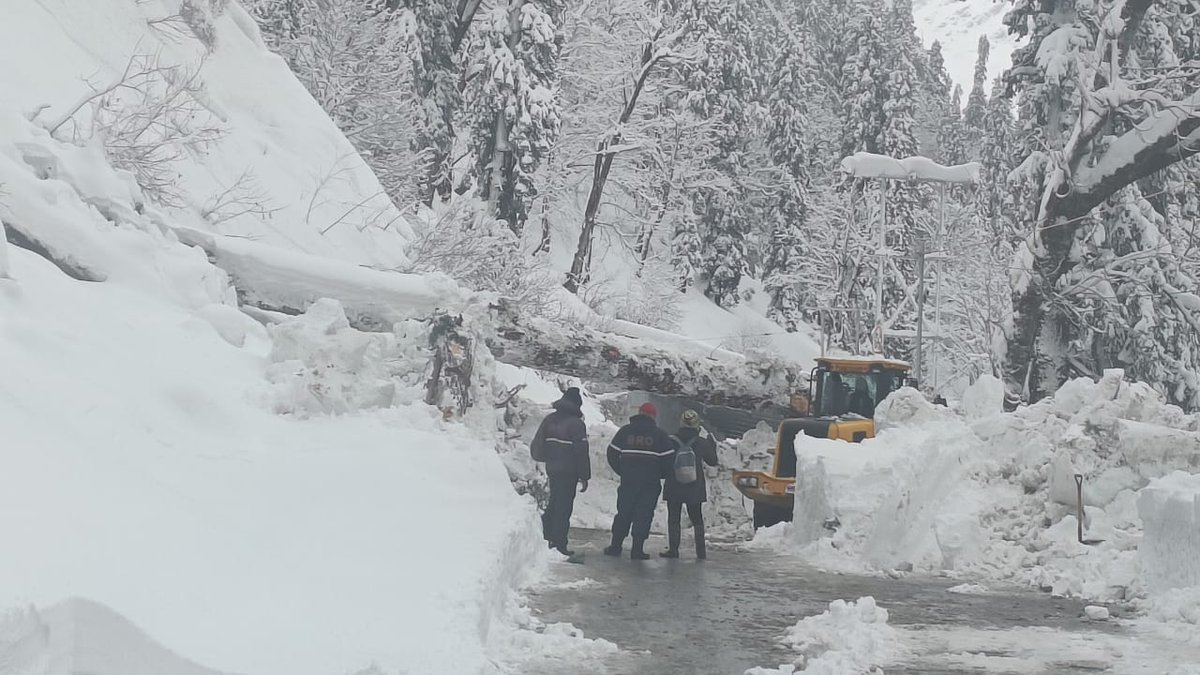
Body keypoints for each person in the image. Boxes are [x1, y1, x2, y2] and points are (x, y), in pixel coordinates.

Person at [603, 401, 675, 560]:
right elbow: (670, 461)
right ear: (653, 417)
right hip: (649, 484)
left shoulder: (625, 431)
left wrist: (623, 471)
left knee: (623, 513)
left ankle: (615, 546)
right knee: (644, 514)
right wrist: (658, 474)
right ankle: (637, 550)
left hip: (629, 481)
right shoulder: (660, 435)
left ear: (639, 413)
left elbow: (612, 453)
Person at [531, 387, 590, 556]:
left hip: (553, 469)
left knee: (555, 502)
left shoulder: (549, 419)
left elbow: (538, 445)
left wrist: (547, 458)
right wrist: (584, 476)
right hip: (569, 471)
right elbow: (581, 451)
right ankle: (559, 544)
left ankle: (546, 536)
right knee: (563, 507)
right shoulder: (577, 424)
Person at [661, 409, 719, 560]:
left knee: (674, 518)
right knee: (697, 520)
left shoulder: (671, 440)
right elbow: (713, 462)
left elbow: (664, 459)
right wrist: (712, 446)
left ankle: (673, 550)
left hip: (674, 483)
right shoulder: (701, 442)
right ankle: (701, 552)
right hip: (694, 486)